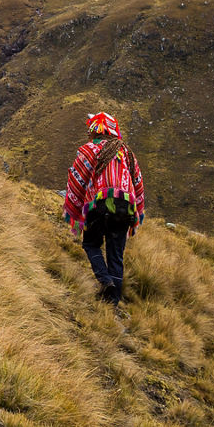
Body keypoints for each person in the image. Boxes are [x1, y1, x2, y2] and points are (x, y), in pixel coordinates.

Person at [63, 112, 145, 306]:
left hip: (99, 206)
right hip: (125, 208)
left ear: (95, 130)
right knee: (116, 254)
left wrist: (74, 209)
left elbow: (76, 180)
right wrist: (137, 210)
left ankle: (104, 280)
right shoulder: (127, 153)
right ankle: (112, 303)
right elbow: (138, 183)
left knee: (91, 244)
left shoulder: (88, 150)